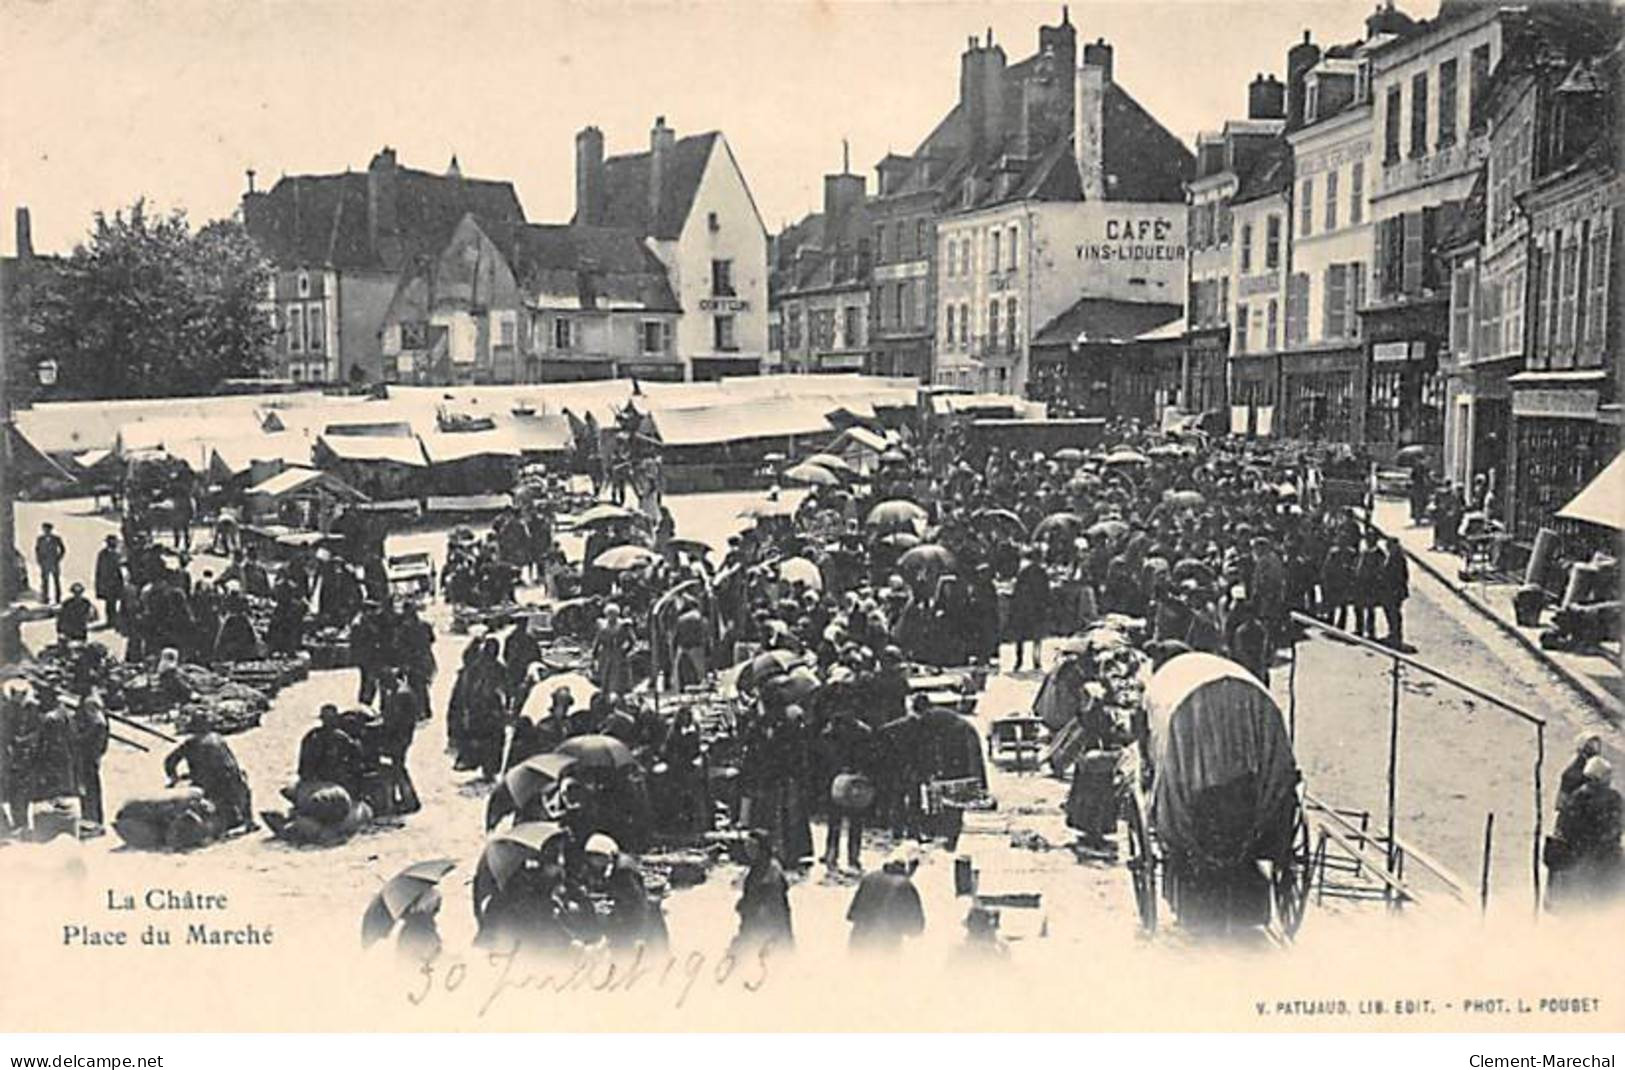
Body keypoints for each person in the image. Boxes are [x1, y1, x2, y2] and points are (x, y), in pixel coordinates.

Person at [1549, 756, 1622, 910]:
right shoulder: (1612, 799)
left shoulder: (1575, 799)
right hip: (1603, 859)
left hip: (1581, 858)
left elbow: (1564, 827)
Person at [164, 730, 256, 833]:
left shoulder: (190, 744)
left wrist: (173, 777)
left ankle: (233, 819)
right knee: (239, 792)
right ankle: (247, 820)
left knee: (224, 800)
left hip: (208, 780)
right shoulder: (217, 738)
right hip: (223, 776)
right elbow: (231, 760)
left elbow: (169, 761)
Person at [846, 845, 925, 952]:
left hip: (857, 944)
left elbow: (851, 914)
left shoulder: (869, 878)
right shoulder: (905, 886)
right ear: (910, 866)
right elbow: (916, 928)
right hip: (886, 947)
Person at [731, 830, 793, 956]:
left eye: (752, 847)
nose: (748, 851)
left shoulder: (771, 870)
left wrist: (747, 905)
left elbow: (770, 902)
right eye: (747, 846)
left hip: (768, 928)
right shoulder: (757, 867)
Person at [72, 693, 109, 834]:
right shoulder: (99, 720)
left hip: (88, 759)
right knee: (90, 792)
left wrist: (76, 737)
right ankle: (94, 822)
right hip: (91, 759)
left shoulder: (97, 722)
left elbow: (91, 734)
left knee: (89, 792)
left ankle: (93, 823)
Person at [1009, 549, 1050, 672]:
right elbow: (1046, 592)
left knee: (1021, 636)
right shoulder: (1042, 573)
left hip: (1025, 608)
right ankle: (1036, 660)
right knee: (1036, 636)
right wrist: (1046, 606)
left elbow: (1016, 591)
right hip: (1036, 608)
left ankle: (1019, 660)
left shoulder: (1024, 572)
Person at [1379, 536, 1409, 650]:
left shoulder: (1398, 559)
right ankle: (1392, 634)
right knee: (1390, 613)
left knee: (1394, 614)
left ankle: (1396, 636)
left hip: (1394, 591)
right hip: (1390, 591)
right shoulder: (1391, 557)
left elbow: (1400, 576)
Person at [94, 535, 124, 632]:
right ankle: (111, 620)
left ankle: (117, 620)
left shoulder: (119, 554)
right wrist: (99, 584)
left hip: (117, 581)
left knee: (119, 602)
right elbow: (99, 569)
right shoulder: (103, 554)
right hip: (107, 582)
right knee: (110, 602)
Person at [35, 522, 66, 604]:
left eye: (48, 529)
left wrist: (58, 558)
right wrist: (39, 560)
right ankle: (45, 598)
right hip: (44, 563)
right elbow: (37, 550)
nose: (46, 531)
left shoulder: (56, 539)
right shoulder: (40, 539)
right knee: (45, 582)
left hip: (54, 563)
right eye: (44, 529)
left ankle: (58, 598)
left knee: (56, 581)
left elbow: (62, 549)